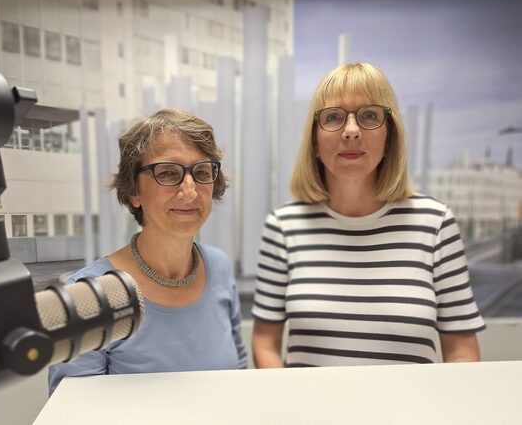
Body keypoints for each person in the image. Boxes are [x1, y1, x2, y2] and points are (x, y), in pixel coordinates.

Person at [251, 62, 485, 368]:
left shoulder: (435, 223)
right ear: (314, 142)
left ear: (390, 138)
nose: (351, 131)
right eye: (333, 117)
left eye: (369, 116)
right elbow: (264, 343)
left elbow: (462, 353)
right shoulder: (283, 227)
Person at [49, 108, 247, 394]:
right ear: (133, 192)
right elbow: (73, 415)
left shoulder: (218, 267)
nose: (190, 191)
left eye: (202, 172)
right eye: (168, 173)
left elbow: (240, 377)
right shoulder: (88, 297)